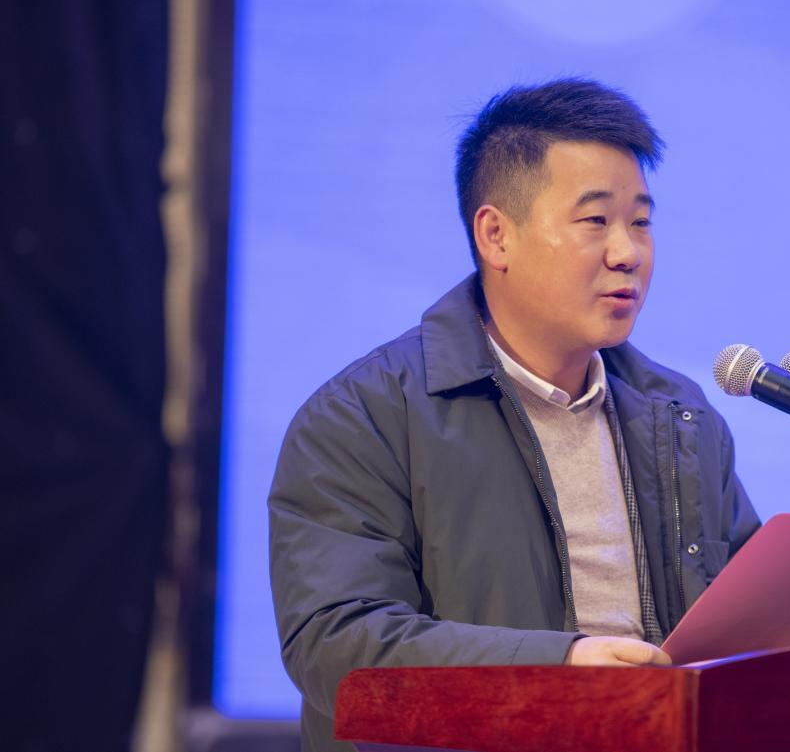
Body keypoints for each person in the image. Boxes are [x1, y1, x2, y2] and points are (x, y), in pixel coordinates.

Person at [269, 78, 761, 752]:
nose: (627, 252)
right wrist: (558, 669)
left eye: (641, 222)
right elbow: (337, 646)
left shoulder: (677, 415)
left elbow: (741, 615)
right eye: (595, 221)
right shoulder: (363, 416)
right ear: (496, 235)